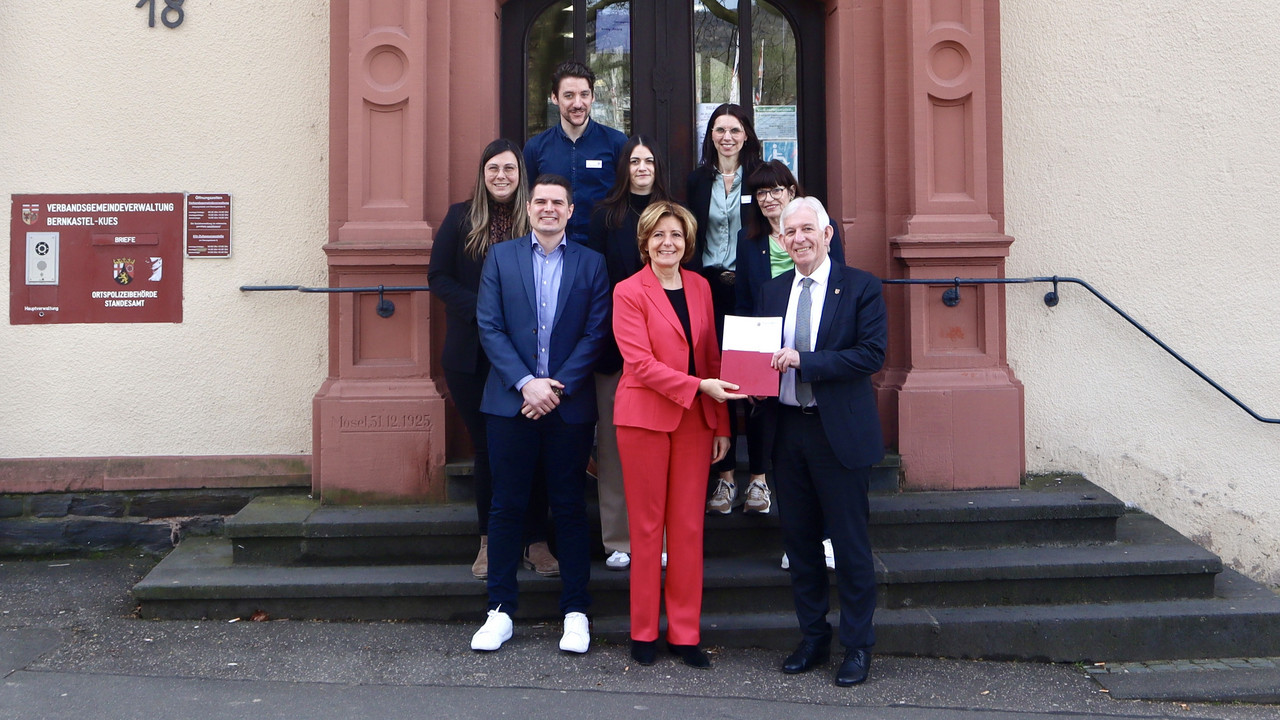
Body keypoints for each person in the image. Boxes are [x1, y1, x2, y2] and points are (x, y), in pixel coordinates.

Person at [470, 175, 611, 655]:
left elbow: (596, 333)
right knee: (507, 506)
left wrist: (555, 386)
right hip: (511, 403)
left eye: (558, 203)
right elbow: (488, 326)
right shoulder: (501, 257)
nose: (549, 209)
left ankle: (575, 611)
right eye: (541, 202)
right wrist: (526, 383)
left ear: (571, 211)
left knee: (570, 508)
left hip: (567, 406)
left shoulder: (592, 264)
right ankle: (500, 610)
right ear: (529, 209)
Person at [758, 196, 887, 687]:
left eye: (807, 230)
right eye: (789, 233)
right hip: (788, 430)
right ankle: (813, 638)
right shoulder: (772, 293)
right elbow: (761, 357)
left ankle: (858, 646)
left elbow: (870, 355)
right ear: (781, 240)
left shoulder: (860, 287)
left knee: (851, 547)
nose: (799, 239)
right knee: (801, 544)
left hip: (839, 435)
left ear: (827, 233)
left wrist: (804, 362)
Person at [612, 201, 742, 669]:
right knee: (646, 530)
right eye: (659, 235)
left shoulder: (702, 287)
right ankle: (644, 631)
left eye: (677, 236)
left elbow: (710, 357)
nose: (668, 243)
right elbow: (640, 364)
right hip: (644, 418)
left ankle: (685, 635)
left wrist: (720, 422)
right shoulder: (628, 291)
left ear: (687, 243)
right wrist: (697, 388)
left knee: (687, 529)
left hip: (695, 421)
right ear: (645, 241)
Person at [427, 139, 559, 580]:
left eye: (509, 169)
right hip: (471, 357)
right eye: (493, 169)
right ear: (482, 174)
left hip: (527, 357)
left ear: (521, 174)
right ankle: (488, 540)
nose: (501, 176)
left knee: (536, 446)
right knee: (488, 449)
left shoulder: (536, 219)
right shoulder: (460, 218)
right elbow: (438, 277)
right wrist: (483, 312)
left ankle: (535, 539)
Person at [731, 160, 847, 520]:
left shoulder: (821, 231)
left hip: (813, 337)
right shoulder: (748, 241)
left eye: (775, 190)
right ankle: (758, 478)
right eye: (761, 192)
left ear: (791, 191)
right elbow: (746, 301)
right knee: (761, 409)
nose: (768, 198)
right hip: (767, 338)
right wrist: (749, 359)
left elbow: (838, 284)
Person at [584, 136, 673, 571]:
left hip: (666, 351)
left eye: (649, 159)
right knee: (616, 448)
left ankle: (658, 535)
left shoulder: (672, 214)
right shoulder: (605, 216)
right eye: (634, 160)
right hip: (615, 351)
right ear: (624, 168)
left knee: (662, 447)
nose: (642, 166)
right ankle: (619, 537)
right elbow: (598, 285)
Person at [685, 103, 763, 514]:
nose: (726, 136)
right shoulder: (698, 181)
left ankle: (760, 480)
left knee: (755, 383)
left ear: (746, 134)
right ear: (710, 135)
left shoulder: (762, 177)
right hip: (710, 288)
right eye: (719, 129)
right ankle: (726, 478)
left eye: (734, 129)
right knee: (718, 379)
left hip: (751, 292)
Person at [524, 61, 628, 247]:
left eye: (584, 95)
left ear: (593, 97)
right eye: (569, 96)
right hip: (553, 249)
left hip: (605, 249)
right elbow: (527, 200)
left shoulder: (616, 143)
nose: (578, 103)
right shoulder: (536, 147)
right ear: (554, 98)